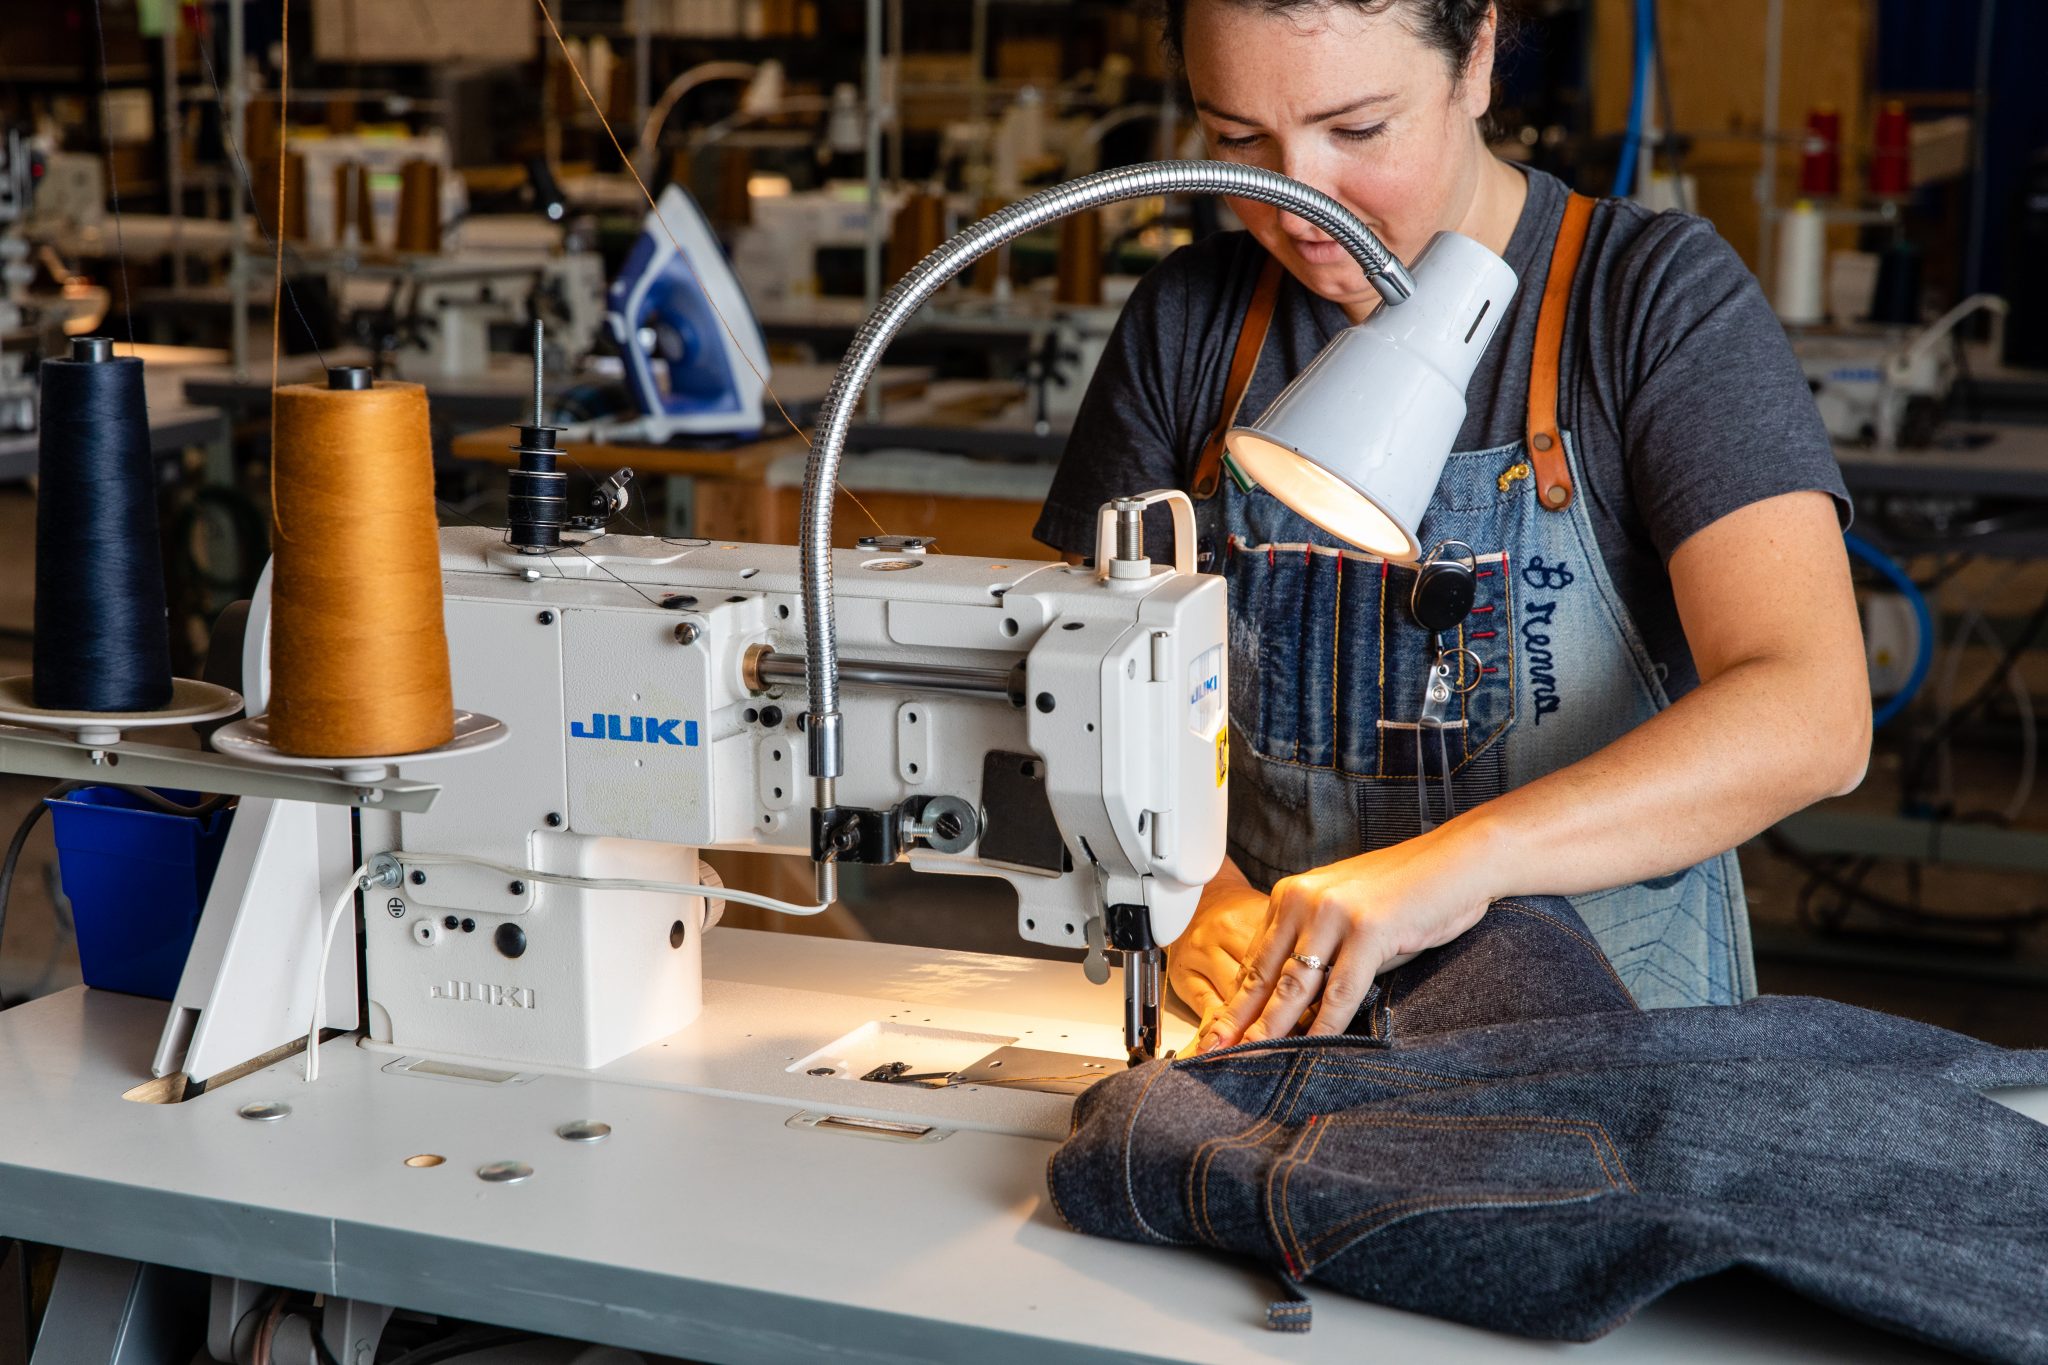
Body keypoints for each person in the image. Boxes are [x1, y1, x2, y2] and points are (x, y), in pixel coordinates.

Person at [1032, 0, 1871, 1053]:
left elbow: (1811, 714)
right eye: (1238, 141)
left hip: (1611, 1054)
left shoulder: (1649, 303)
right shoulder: (1190, 322)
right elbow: (1074, 707)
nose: (1299, 206)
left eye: (1357, 130)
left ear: (1473, 57)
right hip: (1269, 1040)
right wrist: (1198, 904)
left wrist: (1462, 863)